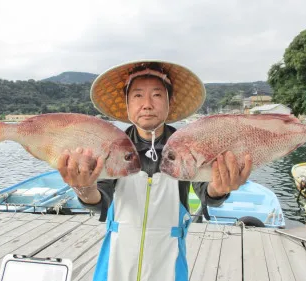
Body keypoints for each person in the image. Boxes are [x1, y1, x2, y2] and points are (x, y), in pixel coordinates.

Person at [57, 60, 252, 281]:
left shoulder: (190, 145)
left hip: (169, 260)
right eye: (138, 95)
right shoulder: (111, 144)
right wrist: (83, 188)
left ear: (170, 103)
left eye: (157, 95)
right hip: (117, 261)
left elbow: (207, 192)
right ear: (127, 104)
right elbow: (100, 200)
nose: (147, 104)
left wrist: (219, 188)